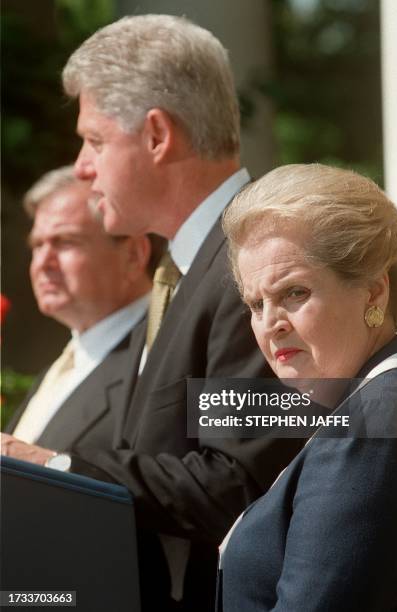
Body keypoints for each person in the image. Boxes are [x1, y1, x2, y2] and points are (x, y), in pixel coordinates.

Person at [1, 16, 302, 610]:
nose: (83, 167)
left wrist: (55, 464)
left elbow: (236, 480)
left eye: (93, 140)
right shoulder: (188, 270)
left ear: (157, 135)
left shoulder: (256, 264)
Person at [218, 163, 397, 611]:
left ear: (374, 293)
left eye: (294, 293)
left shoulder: (380, 422)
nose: (270, 324)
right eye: (256, 304)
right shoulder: (380, 407)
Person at [3, 165, 157, 455]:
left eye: (65, 242)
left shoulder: (165, 352)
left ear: (134, 255)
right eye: (37, 245)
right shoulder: (66, 363)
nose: (43, 262)